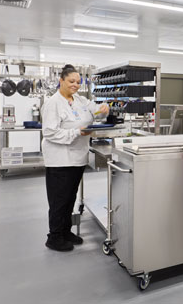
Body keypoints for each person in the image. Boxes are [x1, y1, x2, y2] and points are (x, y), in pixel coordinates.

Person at [41, 64, 109, 252]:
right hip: (60, 159)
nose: (75, 85)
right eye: (71, 81)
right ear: (61, 80)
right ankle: (54, 237)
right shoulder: (53, 103)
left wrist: (104, 109)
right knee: (59, 200)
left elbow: (96, 111)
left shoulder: (80, 100)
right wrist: (76, 133)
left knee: (70, 197)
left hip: (77, 158)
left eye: (78, 82)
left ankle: (65, 231)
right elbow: (49, 132)